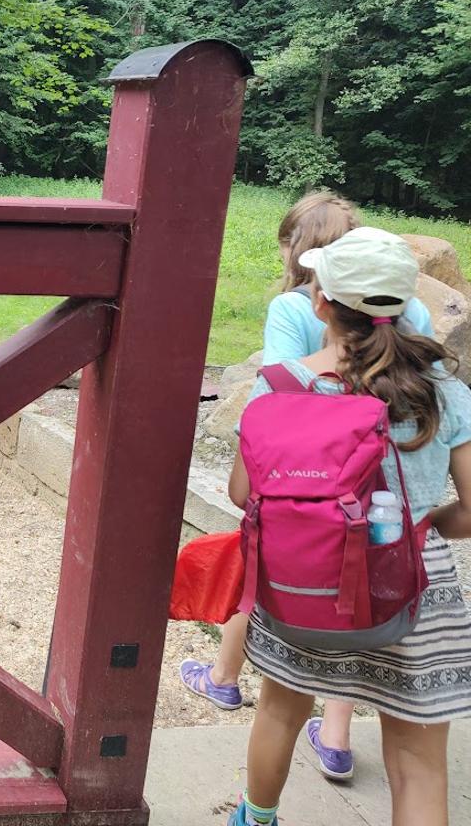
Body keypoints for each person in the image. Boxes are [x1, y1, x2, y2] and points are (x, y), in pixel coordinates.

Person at [180, 193, 434, 782]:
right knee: (363, 584)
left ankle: (225, 683)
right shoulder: (422, 341)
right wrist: (432, 519)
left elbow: (269, 421)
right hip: (400, 541)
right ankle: (337, 738)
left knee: (279, 585)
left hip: (303, 483)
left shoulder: (291, 320)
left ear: (320, 294)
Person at [228, 227, 471, 826]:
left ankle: (255, 818)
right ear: (406, 304)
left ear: (320, 303)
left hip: (305, 581)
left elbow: (241, 493)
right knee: (418, 763)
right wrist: (430, 523)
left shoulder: (280, 385)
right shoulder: (443, 389)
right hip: (415, 589)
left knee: (280, 712)